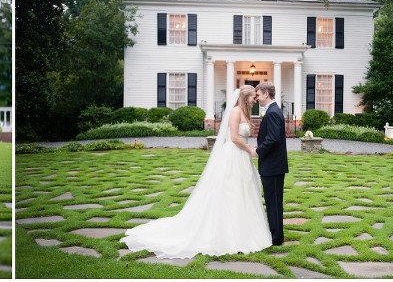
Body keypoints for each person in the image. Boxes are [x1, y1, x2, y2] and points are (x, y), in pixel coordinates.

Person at [120, 85, 271, 259]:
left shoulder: (246, 113)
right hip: (234, 155)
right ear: (246, 97)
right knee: (231, 191)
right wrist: (249, 149)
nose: (255, 100)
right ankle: (227, 233)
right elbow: (235, 137)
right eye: (253, 97)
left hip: (242, 156)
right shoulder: (236, 111)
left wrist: (248, 149)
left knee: (244, 191)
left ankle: (244, 230)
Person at [254, 82, 289, 246]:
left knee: (273, 202)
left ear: (266, 93)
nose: (257, 98)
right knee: (273, 201)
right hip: (273, 165)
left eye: (258, 94)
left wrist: (258, 151)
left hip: (273, 166)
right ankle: (276, 233)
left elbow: (273, 138)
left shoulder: (273, 112)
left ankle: (276, 238)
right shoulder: (274, 110)